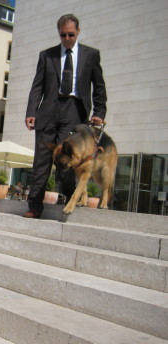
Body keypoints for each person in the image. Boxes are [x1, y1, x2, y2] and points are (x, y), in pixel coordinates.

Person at [23, 14, 107, 219]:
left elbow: (99, 87)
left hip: (74, 111)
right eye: (63, 35)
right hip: (48, 111)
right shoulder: (47, 55)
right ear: (59, 33)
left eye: (71, 34)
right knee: (41, 160)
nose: (67, 38)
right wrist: (31, 112)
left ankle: (72, 197)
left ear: (78, 31)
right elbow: (37, 87)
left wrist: (99, 112)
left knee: (68, 159)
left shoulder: (91, 55)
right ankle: (35, 206)